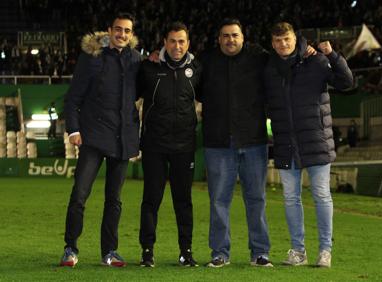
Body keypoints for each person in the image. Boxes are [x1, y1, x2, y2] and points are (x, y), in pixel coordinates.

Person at [263, 22, 353, 268]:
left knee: (321, 195)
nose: (283, 44)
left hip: (316, 141)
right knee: (291, 197)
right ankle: (298, 251)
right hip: (285, 143)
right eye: (278, 40)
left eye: (287, 39)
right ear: (272, 43)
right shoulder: (269, 68)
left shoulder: (317, 61)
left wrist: (332, 54)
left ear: (295, 38)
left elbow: (346, 82)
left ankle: (325, 250)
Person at [60, 12, 141, 267]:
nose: (122, 34)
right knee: (79, 196)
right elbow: (73, 98)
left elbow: (137, 98)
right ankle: (70, 248)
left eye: (127, 31)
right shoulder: (92, 57)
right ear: (109, 30)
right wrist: (73, 130)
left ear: (131, 34)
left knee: (114, 200)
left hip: (121, 140)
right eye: (118, 29)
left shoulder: (135, 60)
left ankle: (110, 252)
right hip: (93, 139)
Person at [196, 18, 272, 268]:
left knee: (256, 199)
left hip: (254, 141)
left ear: (243, 37)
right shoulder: (206, 61)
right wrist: (159, 55)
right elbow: (183, 73)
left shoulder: (259, 57)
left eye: (235, 35)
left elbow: (286, 55)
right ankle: (220, 253)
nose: (231, 40)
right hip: (218, 143)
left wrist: (305, 46)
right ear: (219, 39)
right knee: (218, 200)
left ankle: (260, 252)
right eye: (226, 36)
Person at [137, 22, 201, 268]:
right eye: (173, 41)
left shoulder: (197, 69)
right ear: (164, 42)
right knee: (151, 200)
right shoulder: (148, 68)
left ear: (188, 43)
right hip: (154, 145)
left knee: (183, 201)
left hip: (184, 147)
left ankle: (186, 252)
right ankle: (147, 252)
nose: (177, 46)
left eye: (182, 41)